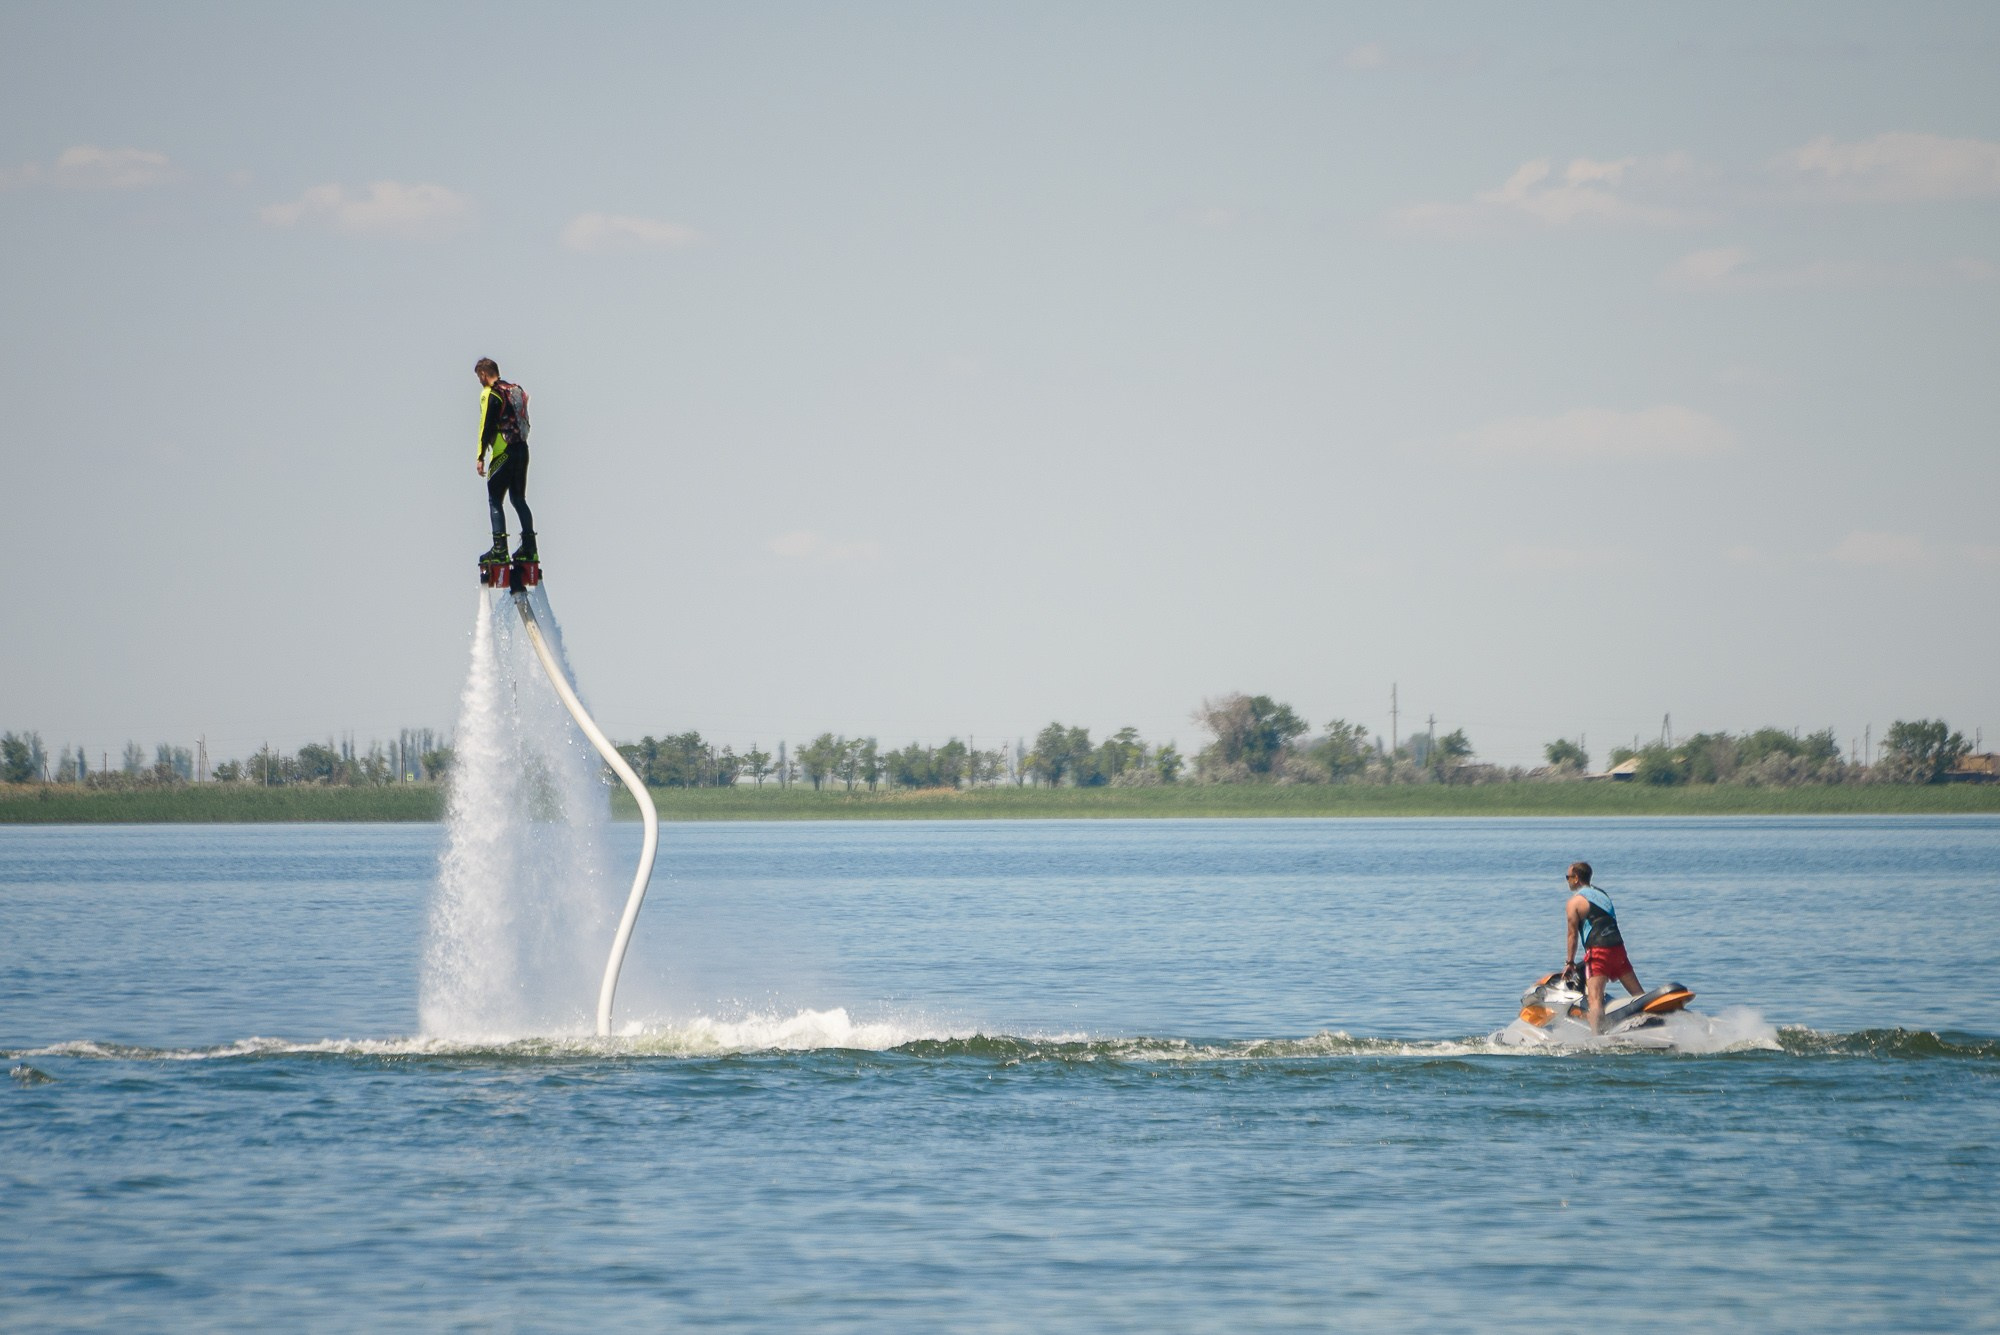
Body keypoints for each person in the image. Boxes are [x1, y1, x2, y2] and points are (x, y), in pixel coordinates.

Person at [1563, 861, 1643, 1033]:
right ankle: (1660, 1022)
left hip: (1598, 953)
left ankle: (1596, 1040)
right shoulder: (1602, 895)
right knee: (1638, 995)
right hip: (1618, 949)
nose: (1567, 880)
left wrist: (1569, 963)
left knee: (1595, 1000)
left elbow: (1572, 935)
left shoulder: (1574, 902)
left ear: (1576, 878)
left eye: (1568, 877)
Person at [473, 357, 535, 563]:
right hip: (522, 450)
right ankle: (530, 548)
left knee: (494, 499)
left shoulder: (490, 394)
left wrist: (480, 456)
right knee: (518, 499)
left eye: (479, 377)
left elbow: (486, 426)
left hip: (504, 453)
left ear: (483, 374)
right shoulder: (514, 390)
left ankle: (500, 549)